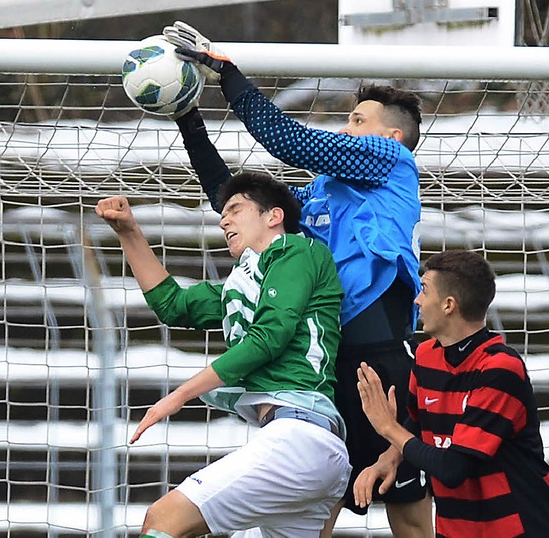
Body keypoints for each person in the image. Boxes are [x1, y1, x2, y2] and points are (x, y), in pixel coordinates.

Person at [161, 21, 434, 537]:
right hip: (323, 374)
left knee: (408, 511)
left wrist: (225, 70)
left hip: (380, 359)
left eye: (358, 120)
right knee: (315, 510)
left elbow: (288, 138)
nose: (347, 129)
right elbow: (235, 199)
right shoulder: (320, 193)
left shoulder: (393, 163)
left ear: (390, 136)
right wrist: (187, 118)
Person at [95, 172, 351, 538]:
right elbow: (172, 304)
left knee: (163, 519)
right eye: (222, 214)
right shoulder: (243, 283)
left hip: (299, 439)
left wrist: (181, 394)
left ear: (273, 216)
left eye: (235, 209)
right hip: (301, 446)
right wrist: (128, 231)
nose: (224, 220)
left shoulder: (298, 250)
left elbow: (270, 337)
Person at [355, 250, 549, 537]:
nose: (417, 300)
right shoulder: (425, 356)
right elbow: (419, 423)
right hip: (456, 529)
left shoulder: (500, 369)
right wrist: (390, 458)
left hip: (523, 528)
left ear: (448, 305)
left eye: (424, 290)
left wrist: (387, 427)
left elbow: (453, 468)